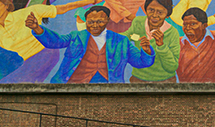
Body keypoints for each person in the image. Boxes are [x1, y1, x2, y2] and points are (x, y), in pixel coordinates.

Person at [0, 0, 103, 83]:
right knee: (5, 85)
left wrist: (92, 0)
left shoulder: (28, 12)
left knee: (13, 84)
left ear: (6, 5)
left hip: (46, 53)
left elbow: (62, 8)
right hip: (27, 62)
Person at [27, 6, 155, 84]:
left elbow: (140, 62)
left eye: (99, 21)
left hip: (108, 88)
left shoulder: (121, 41)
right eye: (91, 22)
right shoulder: (76, 36)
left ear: (107, 21)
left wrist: (146, 51)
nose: (94, 25)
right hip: (73, 84)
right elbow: (55, 41)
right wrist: (37, 28)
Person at [122, 0, 180, 83]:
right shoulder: (138, 22)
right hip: (138, 78)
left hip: (164, 81)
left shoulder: (172, 33)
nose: (154, 15)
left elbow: (172, 67)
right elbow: (126, 36)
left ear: (167, 15)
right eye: (151, 10)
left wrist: (161, 46)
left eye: (160, 12)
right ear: (145, 9)